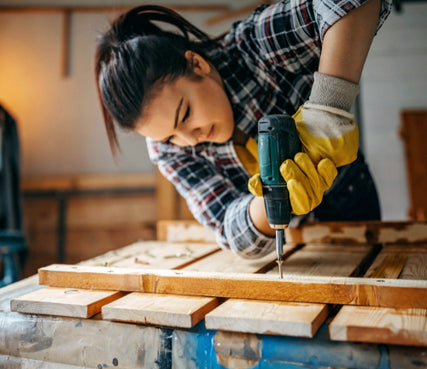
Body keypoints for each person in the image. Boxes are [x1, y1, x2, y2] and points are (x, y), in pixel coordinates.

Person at [95, 0, 392, 258]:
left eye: (185, 114)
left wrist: (327, 108)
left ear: (197, 64)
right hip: (287, 238)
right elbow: (227, 226)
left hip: (348, 193)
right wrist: (272, 202)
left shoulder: (254, 44)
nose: (190, 140)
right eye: (170, 137)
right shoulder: (166, 151)